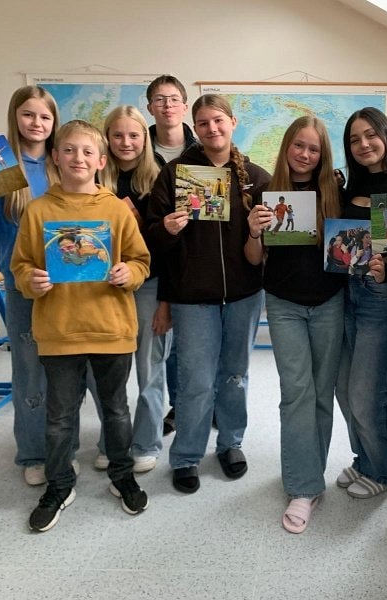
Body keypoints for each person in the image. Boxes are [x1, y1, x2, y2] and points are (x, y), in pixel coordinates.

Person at [11, 119, 151, 532]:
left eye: (88, 152)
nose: (78, 158)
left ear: (101, 161)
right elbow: (20, 265)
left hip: (111, 329)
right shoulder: (39, 210)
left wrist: (130, 273)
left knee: (116, 410)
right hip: (59, 331)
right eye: (69, 150)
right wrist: (31, 280)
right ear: (55, 157)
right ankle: (59, 485)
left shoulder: (115, 210)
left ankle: (122, 476)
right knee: (59, 417)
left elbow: (141, 260)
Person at [146, 94, 271, 494]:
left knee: (235, 376)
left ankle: (230, 443)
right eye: (203, 123)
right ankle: (186, 455)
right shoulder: (175, 174)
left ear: (233, 122)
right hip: (192, 297)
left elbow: (271, 243)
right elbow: (152, 239)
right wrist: (167, 228)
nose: (212, 128)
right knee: (196, 380)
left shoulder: (257, 177)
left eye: (218, 120)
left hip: (244, 295)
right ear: (195, 129)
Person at [245, 115, 344, 533]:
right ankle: (303, 487)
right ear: (286, 146)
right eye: (298, 145)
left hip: (329, 302)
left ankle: (311, 476)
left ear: (323, 154)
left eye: (313, 148)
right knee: (296, 393)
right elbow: (254, 259)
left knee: (321, 394)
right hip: (284, 304)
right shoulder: (266, 193)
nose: (304, 154)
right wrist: (253, 232)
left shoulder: (336, 193)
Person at [0, 85, 68, 487]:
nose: (36, 123)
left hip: (68, 284)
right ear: (15, 117)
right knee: (29, 374)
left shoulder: (63, 162)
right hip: (22, 284)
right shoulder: (4, 169)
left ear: (54, 121)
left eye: (45, 116)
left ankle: (64, 449)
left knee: (68, 374)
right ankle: (33, 453)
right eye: (28, 114)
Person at [335, 107, 387, 499]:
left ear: (385, 135)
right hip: (348, 292)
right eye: (355, 139)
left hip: (381, 299)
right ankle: (364, 459)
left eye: (371, 135)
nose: (363, 144)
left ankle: (384, 471)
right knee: (347, 390)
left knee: (370, 391)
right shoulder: (353, 183)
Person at [91, 105, 169, 474]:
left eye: (134, 135)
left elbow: (172, 247)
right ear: (106, 138)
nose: (126, 142)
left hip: (149, 285)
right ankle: (111, 441)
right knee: (107, 371)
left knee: (149, 369)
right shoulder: (93, 180)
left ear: (145, 138)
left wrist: (166, 301)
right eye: (118, 135)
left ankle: (147, 442)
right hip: (103, 288)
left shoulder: (161, 179)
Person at [145, 74, 198, 438]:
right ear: (150, 107)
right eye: (160, 100)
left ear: (184, 105)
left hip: (195, 259)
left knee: (189, 345)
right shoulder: (137, 147)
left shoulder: (202, 150)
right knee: (159, 344)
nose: (167, 106)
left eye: (174, 99)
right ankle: (172, 407)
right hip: (152, 255)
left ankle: (190, 406)